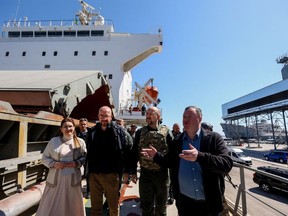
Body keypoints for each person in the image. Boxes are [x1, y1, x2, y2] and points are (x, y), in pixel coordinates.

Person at [142, 105, 233, 216]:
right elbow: (169, 161)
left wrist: (199, 157)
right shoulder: (177, 141)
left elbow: (226, 164)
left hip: (209, 204)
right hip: (184, 203)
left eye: (189, 116)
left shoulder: (214, 138)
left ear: (200, 118)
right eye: (184, 116)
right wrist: (156, 156)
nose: (185, 119)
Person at [36, 117, 87, 216]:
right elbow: (44, 158)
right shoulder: (53, 142)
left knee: (72, 204)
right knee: (52, 204)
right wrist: (54, 164)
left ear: (74, 127)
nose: (68, 129)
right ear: (61, 129)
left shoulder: (80, 142)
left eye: (70, 126)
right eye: (65, 127)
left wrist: (76, 163)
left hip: (72, 181)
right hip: (56, 180)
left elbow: (85, 158)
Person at [86, 106, 131, 216]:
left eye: (106, 116)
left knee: (113, 207)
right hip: (94, 175)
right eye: (101, 116)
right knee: (95, 207)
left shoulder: (120, 131)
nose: (104, 118)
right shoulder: (92, 131)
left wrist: (127, 171)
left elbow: (128, 150)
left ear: (111, 116)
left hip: (111, 175)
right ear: (98, 116)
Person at [131, 106, 173, 216]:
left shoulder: (166, 132)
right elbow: (134, 152)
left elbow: (172, 153)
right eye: (147, 113)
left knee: (161, 207)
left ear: (158, 116)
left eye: (151, 114)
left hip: (162, 175)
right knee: (146, 206)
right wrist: (132, 171)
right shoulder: (140, 132)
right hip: (145, 174)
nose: (147, 115)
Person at [167, 123, 182, 206]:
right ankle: (171, 196)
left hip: (178, 161)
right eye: (176, 128)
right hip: (170, 160)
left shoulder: (181, 135)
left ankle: (173, 196)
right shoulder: (169, 135)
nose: (177, 129)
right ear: (173, 128)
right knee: (170, 181)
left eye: (178, 128)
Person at [77, 118, 91, 199]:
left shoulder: (91, 134)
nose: (83, 126)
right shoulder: (76, 134)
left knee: (88, 174)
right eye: (81, 124)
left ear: (87, 125)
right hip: (79, 156)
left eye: (84, 124)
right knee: (78, 174)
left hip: (89, 157)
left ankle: (88, 191)